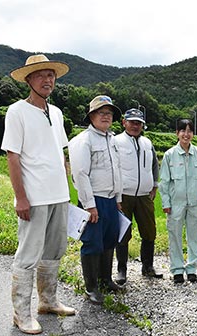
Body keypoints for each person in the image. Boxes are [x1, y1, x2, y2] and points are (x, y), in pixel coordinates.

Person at [1, 54, 75, 334]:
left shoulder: (55, 112)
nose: (48, 80)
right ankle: (21, 314)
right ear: (29, 79)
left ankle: (48, 301)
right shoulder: (17, 111)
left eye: (51, 75)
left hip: (58, 195)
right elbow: (12, 156)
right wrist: (21, 197)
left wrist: (68, 186)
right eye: (41, 75)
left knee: (54, 251)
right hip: (34, 196)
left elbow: (61, 154)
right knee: (28, 254)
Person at [68, 95, 123, 304]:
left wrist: (118, 198)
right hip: (94, 201)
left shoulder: (111, 139)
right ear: (91, 116)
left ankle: (106, 279)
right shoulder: (83, 140)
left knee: (110, 239)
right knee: (92, 243)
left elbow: (116, 170)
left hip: (110, 200)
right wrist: (89, 205)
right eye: (101, 113)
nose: (106, 116)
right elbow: (81, 174)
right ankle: (91, 288)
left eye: (109, 113)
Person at [114, 108, 163, 283]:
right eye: (132, 122)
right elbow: (112, 168)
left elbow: (154, 164)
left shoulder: (147, 143)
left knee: (149, 232)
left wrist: (155, 185)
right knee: (122, 234)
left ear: (142, 125)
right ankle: (122, 270)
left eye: (138, 123)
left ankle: (148, 267)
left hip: (144, 195)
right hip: (124, 195)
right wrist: (116, 195)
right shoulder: (116, 142)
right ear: (124, 122)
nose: (135, 125)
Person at [159, 119, 197, 284]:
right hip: (176, 203)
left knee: (195, 236)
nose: (186, 134)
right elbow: (164, 182)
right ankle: (177, 269)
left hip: (195, 202)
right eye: (183, 131)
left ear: (193, 134)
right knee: (175, 236)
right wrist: (166, 203)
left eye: (190, 131)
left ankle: (192, 268)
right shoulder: (169, 155)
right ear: (176, 133)